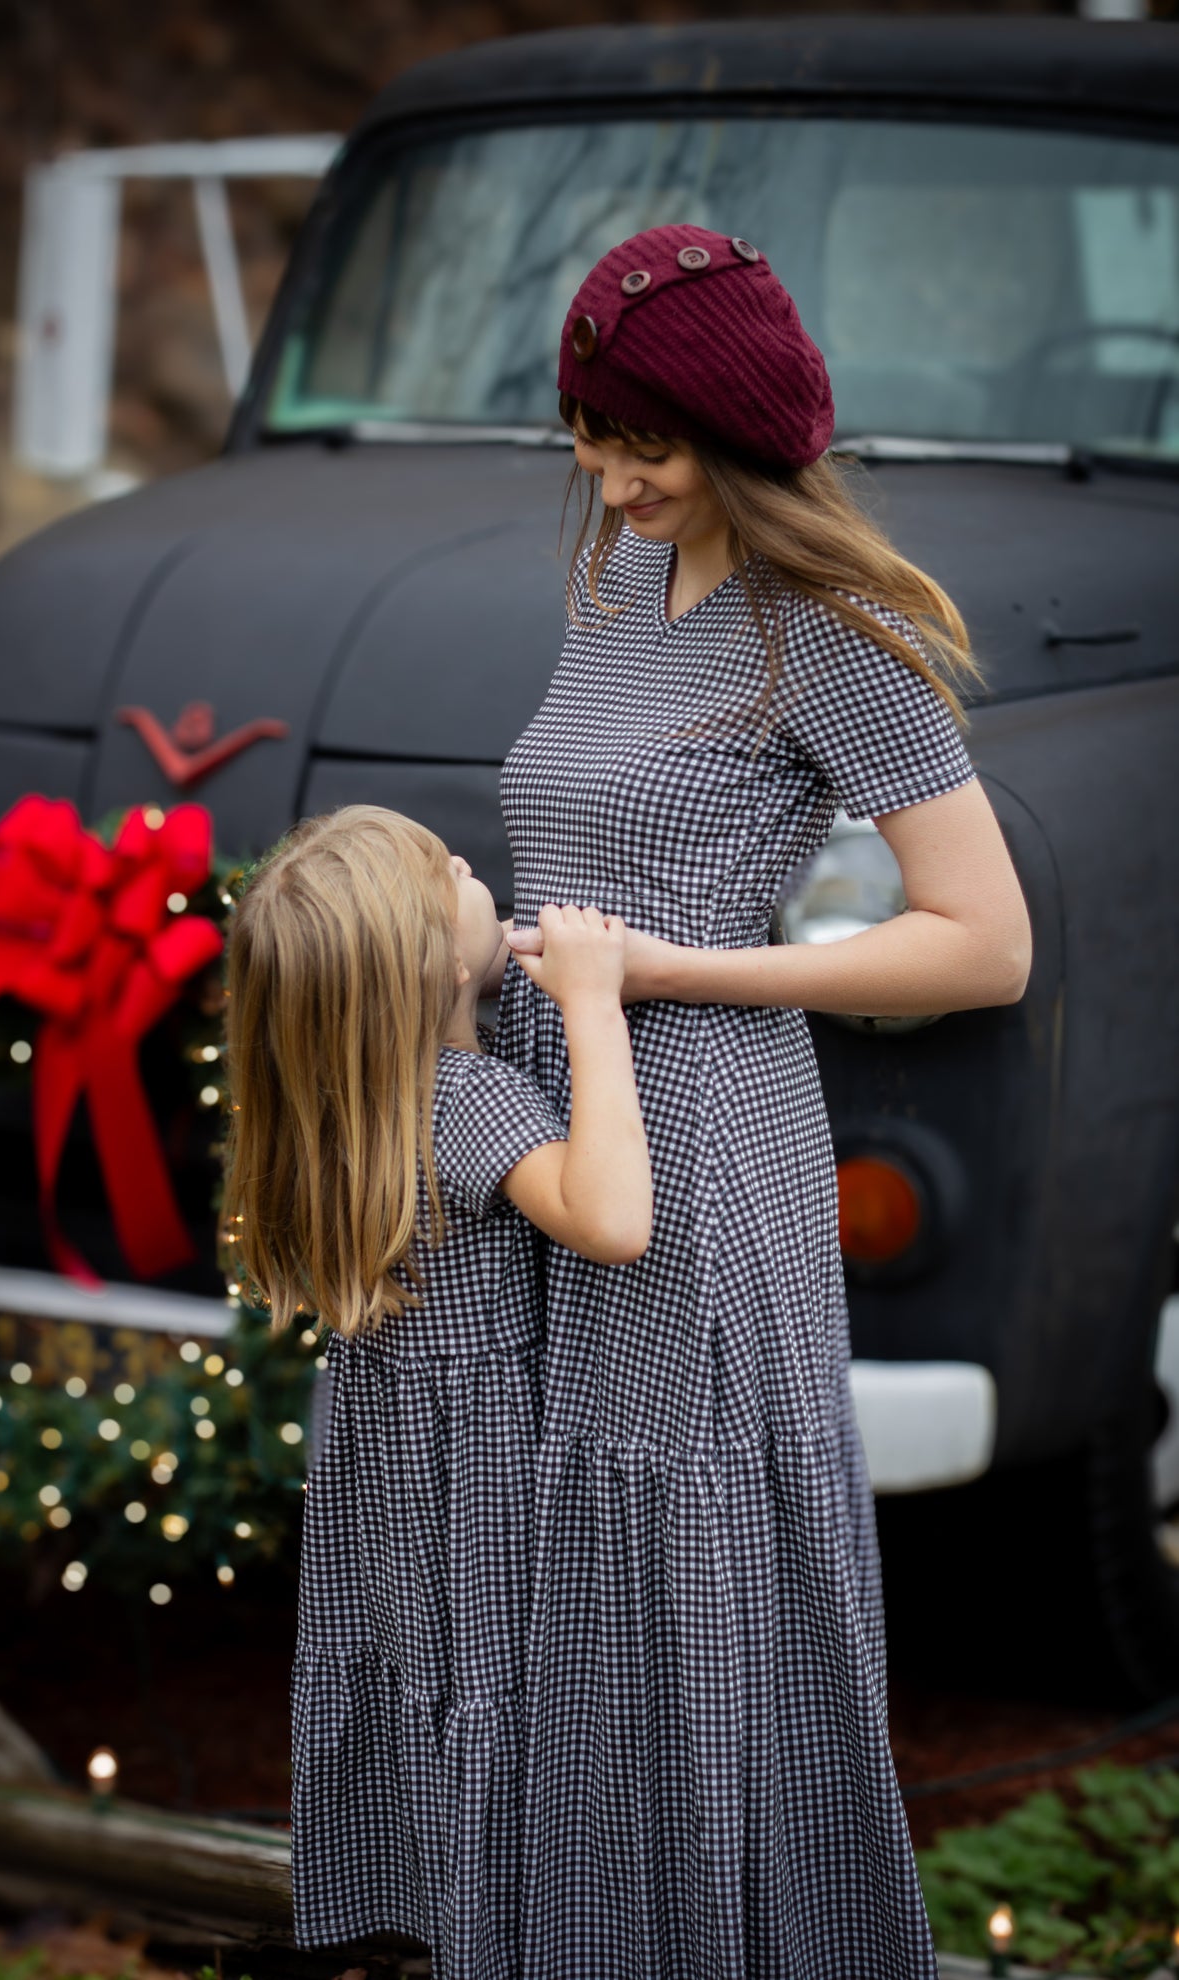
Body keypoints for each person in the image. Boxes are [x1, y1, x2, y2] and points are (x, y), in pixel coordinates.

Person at [491, 225, 1033, 1980]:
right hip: (554, 1113)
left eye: (643, 443)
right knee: (571, 1556)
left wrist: (672, 971)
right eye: (588, 432)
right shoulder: (609, 583)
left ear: (737, 434)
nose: (608, 475)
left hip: (706, 1144)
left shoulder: (831, 636)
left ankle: (743, 1943)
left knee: (692, 1558)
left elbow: (984, 945)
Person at [222, 804, 652, 1980]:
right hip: (482, 1460)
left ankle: (425, 1905)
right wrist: (595, 1002)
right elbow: (611, 1218)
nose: (473, 868)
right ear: (433, 962)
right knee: (497, 1687)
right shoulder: (460, 1100)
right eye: (450, 872)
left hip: (393, 1446)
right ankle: (504, 1930)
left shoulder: (354, 1100)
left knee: (426, 1674)